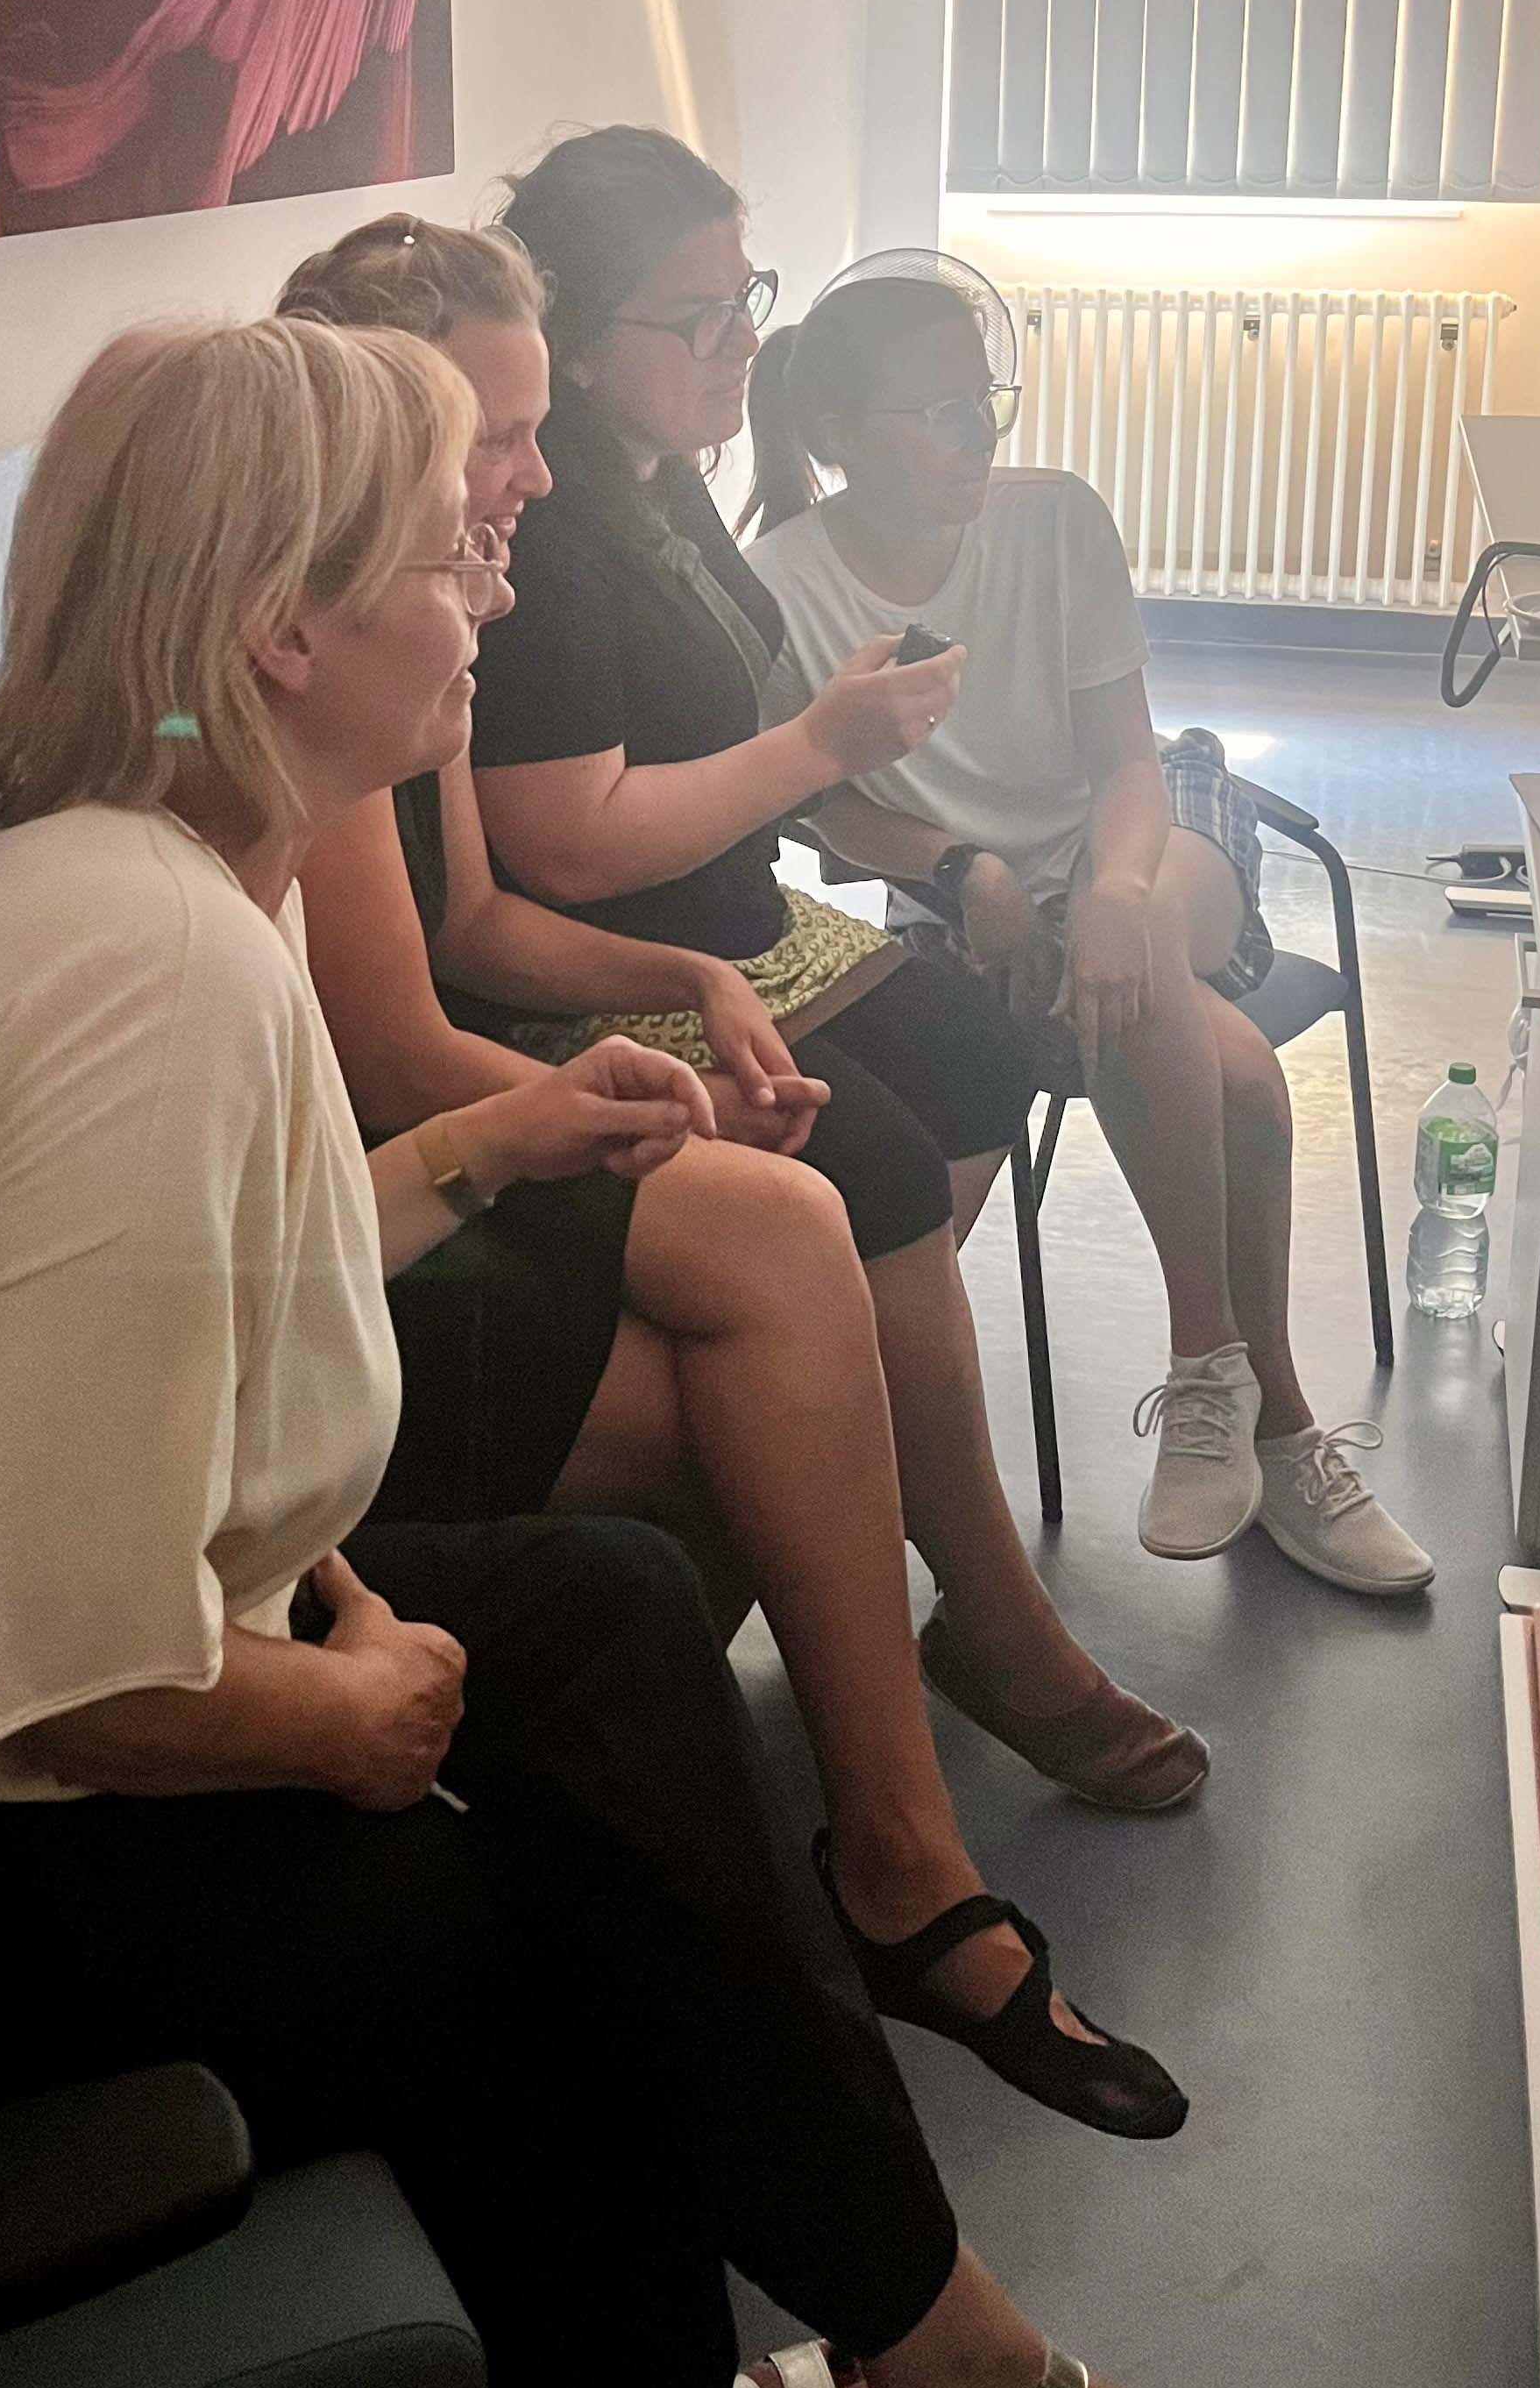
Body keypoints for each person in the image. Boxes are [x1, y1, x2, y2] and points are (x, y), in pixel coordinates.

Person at [0, 316, 1344, 2388]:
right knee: (513, 1922)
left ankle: (922, 2358)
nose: (496, 597)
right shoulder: (151, 971)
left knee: (605, 1610)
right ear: (283, 630)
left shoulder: (150, 875)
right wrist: (339, 1717)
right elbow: (50, 1671)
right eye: (453, 558)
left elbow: (187, 1286)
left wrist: (479, 1145)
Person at [280, 217, 1182, 2142]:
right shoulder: (325, 666)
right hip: (357, 1185)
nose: (534, 481)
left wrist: (682, 989)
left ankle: (854, 1827)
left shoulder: (426, 625)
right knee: (790, 1249)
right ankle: (894, 1841)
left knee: (814, 1212)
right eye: (494, 441)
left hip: (421, 1126)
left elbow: (477, 922)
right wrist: (617, 1107)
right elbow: (393, 1054)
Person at [462, 130, 1215, 1827]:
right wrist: (823, 743)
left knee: (973, 1051)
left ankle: (816, 1445)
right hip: (617, 959)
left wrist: (843, 757)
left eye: (750, 301)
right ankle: (982, 1609)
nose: (743, 344)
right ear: (580, 336)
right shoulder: (556, 532)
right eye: (700, 319)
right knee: (866, 1164)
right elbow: (566, 851)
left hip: (731, 917)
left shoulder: (661, 478)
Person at [742, 262, 1433, 1600]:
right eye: (940, 413)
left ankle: (1202, 1364)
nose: (979, 436)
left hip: (1160, 837)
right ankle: (1274, 1424)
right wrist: (964, 868)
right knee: (1238, 1076)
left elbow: (1130, 762)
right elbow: (821, 810)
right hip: (977, 907)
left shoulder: (1055, 518)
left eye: (986, 403)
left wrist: (1113, 891)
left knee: (1137, 943)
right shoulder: (782, 589)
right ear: (835, 432)